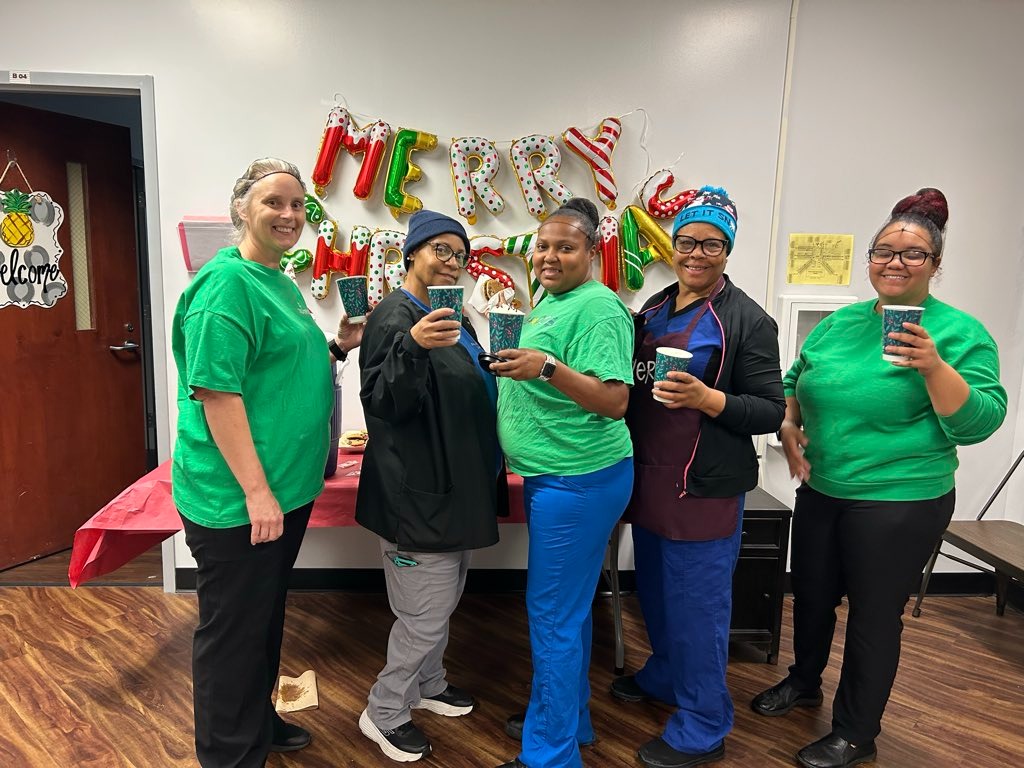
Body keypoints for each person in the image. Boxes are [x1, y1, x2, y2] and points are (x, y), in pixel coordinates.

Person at [751, 188, 1007, 768]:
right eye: (883, 250)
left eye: (913, 253)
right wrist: (789, 426)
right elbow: (795, 379)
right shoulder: (839, 325)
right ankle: (804, 680)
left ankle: (855, 733)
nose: (894, 261)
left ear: (936, 266)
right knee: (812, 597)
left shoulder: (960, 333)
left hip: (901, 498)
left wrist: (934, 365)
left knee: (873, 613)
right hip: (824, 487)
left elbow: (981, 422)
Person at [172, 157, 363, 767]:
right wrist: (256, 492)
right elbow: (218, 393)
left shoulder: (276, 279)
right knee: (233, 631)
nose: (287, 215)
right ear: (241, 211)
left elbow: (280, 366)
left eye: (296, 206)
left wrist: (337, 345)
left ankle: (257, 718)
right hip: (239, 498)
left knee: (262, 615)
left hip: (286, 486)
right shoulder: (225, 285)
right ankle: (230, 753)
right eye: (272, 203)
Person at [609, 186, 785, 768]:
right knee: (656, 595)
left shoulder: (746, 321)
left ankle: (705, 724)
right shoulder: (655, 309)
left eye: (711, 243)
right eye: (686, 241)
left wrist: (709, 399)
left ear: (728, 250)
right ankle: (663, 673)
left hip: (703, 489)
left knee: (699, 609)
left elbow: (769, 409)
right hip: (649, 479)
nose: (696, 253)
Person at [355, 209, 506, 763]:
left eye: (459, 254)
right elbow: (383, 403)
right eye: (440, 250)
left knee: (443, 602)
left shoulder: (454, 313)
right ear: (412, 254)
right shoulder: (395, 316)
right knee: (423, 614)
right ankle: (385, 709)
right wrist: (413, 348)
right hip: (417, 495)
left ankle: (429, 683)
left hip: (455, 487)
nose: (451, 262)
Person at [492, 197, 635, 768]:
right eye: (543, 245)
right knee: (565, 612)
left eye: (565, 247)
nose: (549, 256)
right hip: (556, 475)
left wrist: (546, 368)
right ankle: (567, 721)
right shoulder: (551, 298)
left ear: (592, 252)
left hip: (579, 480)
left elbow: (615, 400)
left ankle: (549, 756)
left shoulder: (599, 309)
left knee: (552, 615)